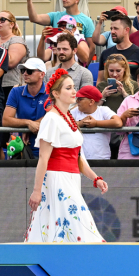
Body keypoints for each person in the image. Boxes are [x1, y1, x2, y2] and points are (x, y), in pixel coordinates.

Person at [24, 70, 108, 242]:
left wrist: (95, 178)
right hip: (57, 180)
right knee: (78, 224)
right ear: (55, 93)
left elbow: (78, 158)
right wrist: (37, 190)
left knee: (67, 225)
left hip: (71, 178)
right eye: (68, 88)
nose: (73, 92)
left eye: (73, 87)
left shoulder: (69, 118)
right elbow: (43, 159)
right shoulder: (51, 119)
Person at [2, 58, 49, 157]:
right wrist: (28, 124)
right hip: (23, 148)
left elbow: (53, 116)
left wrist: (29, 126)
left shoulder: (51, 92)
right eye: (23, 70)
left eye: (30, 71)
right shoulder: (16, 91)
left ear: (42, 74)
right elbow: (6, 120)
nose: (25, 73)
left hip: (47, 148)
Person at [70, 86, 123, 161]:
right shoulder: (75, 111)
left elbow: (118, 122)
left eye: (80, 99)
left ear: (91, 102)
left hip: (101, 158)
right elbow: (63, 124)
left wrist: (96, 123)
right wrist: (80, 123)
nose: (77, 101)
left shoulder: (103, 110)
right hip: (79, 159)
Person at [97, 14, 139, 83]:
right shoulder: (106, 53)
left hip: (132, 92)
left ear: (126, 30)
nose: (112, 32)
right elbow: (100, 81)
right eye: (111, 28)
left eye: (116, 28)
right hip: (109, 92)